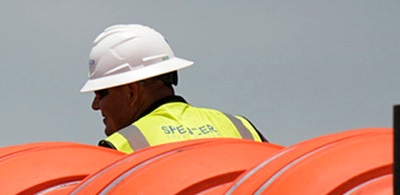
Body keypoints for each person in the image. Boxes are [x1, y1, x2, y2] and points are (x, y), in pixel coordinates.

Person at [81, 24, 266, 152]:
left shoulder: (120, 147)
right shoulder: (242, 128)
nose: (95, 105)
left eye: (101, 93)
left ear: (131, 92)